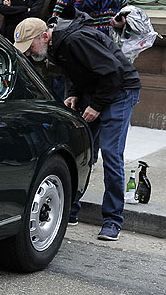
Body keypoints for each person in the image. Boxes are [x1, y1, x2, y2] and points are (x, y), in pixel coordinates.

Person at [15, 16, 141, 241]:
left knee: (111, 154)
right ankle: (70, 210)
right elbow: (77, 71)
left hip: (120, 90)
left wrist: (96, 106)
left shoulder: (75, 40)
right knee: (81, 150)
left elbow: (113, 72)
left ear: (44, 36)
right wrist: (73, 94)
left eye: (29, 46)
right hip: (97, 89)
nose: (28, 53)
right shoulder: (54, 45)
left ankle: (113, 220)